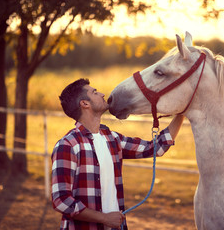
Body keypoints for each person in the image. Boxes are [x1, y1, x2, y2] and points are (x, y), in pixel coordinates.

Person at [51, 78, 184, 230]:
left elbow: (156, 148)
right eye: (94, 92)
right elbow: (61, 200)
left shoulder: (112, 138)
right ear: (85, 103)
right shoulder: (67, 145)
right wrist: (104, 218)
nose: (101, 94)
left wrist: (182, 112)